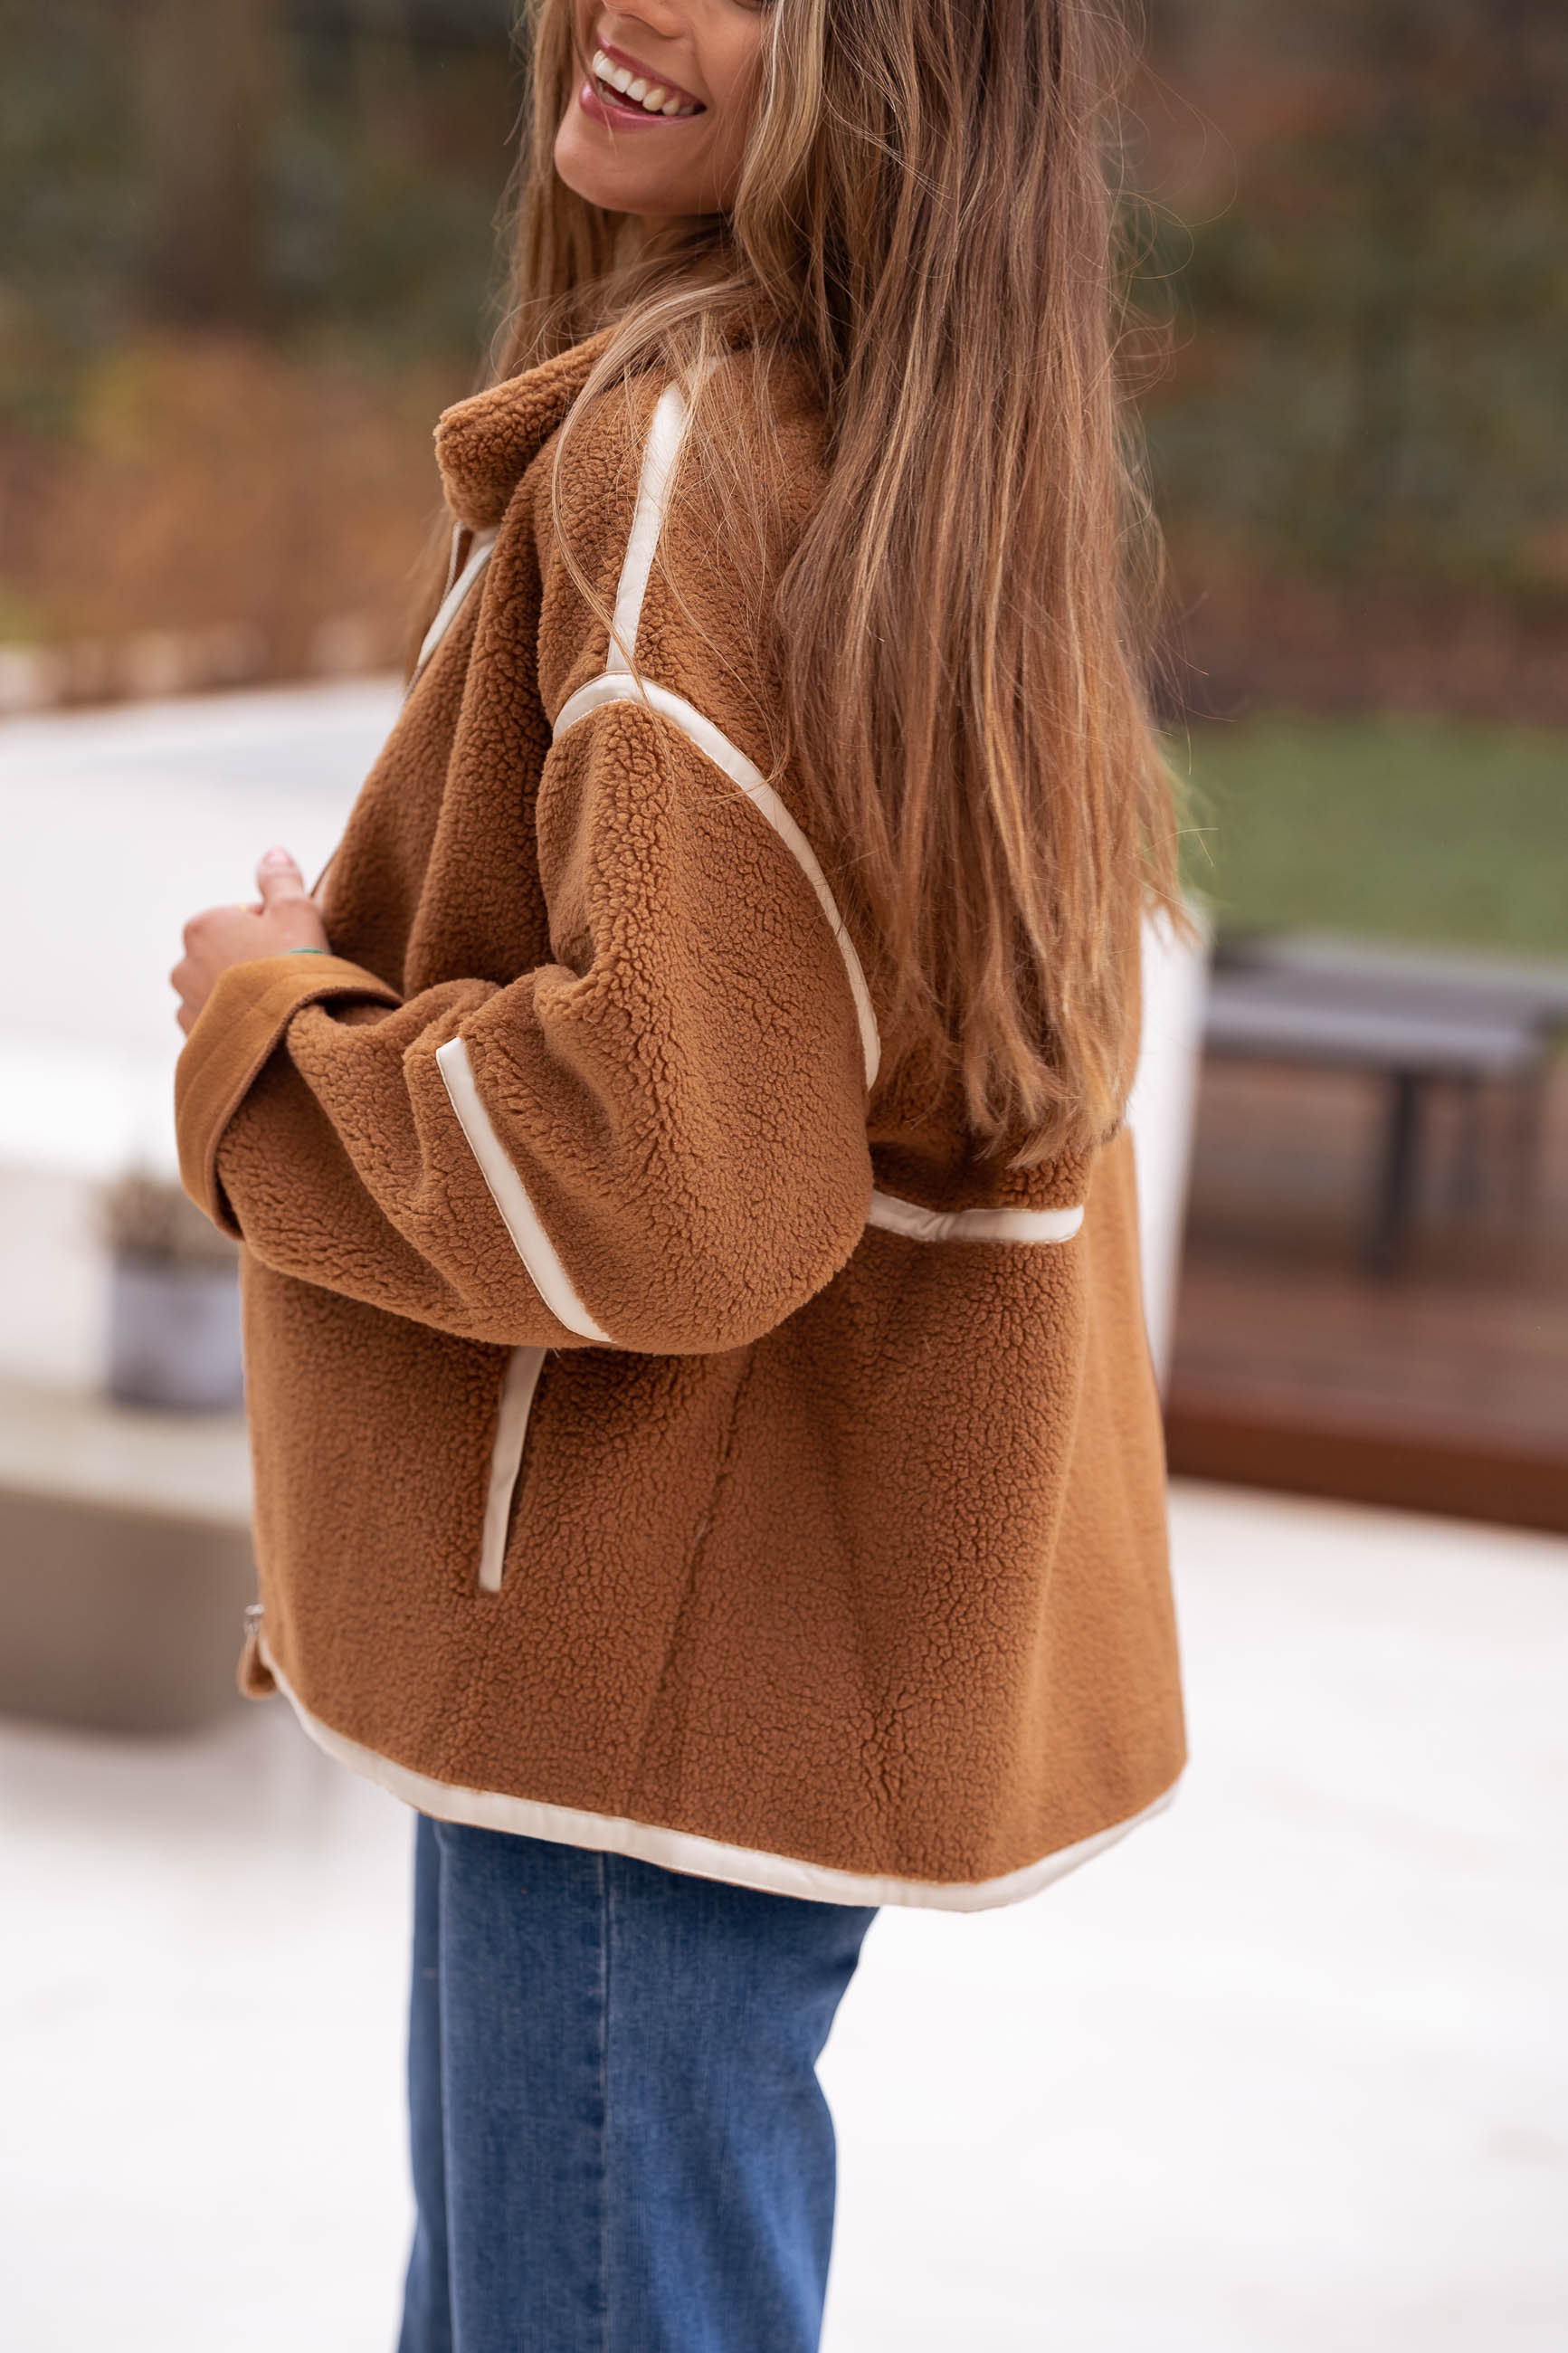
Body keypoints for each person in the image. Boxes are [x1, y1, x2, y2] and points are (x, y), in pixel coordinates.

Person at [170, 1, 1186, 2345]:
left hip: (620, 1667)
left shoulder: (679, 465)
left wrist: (272, 1039)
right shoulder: (917, 471)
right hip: (735, 1669)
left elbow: (678, 1169)